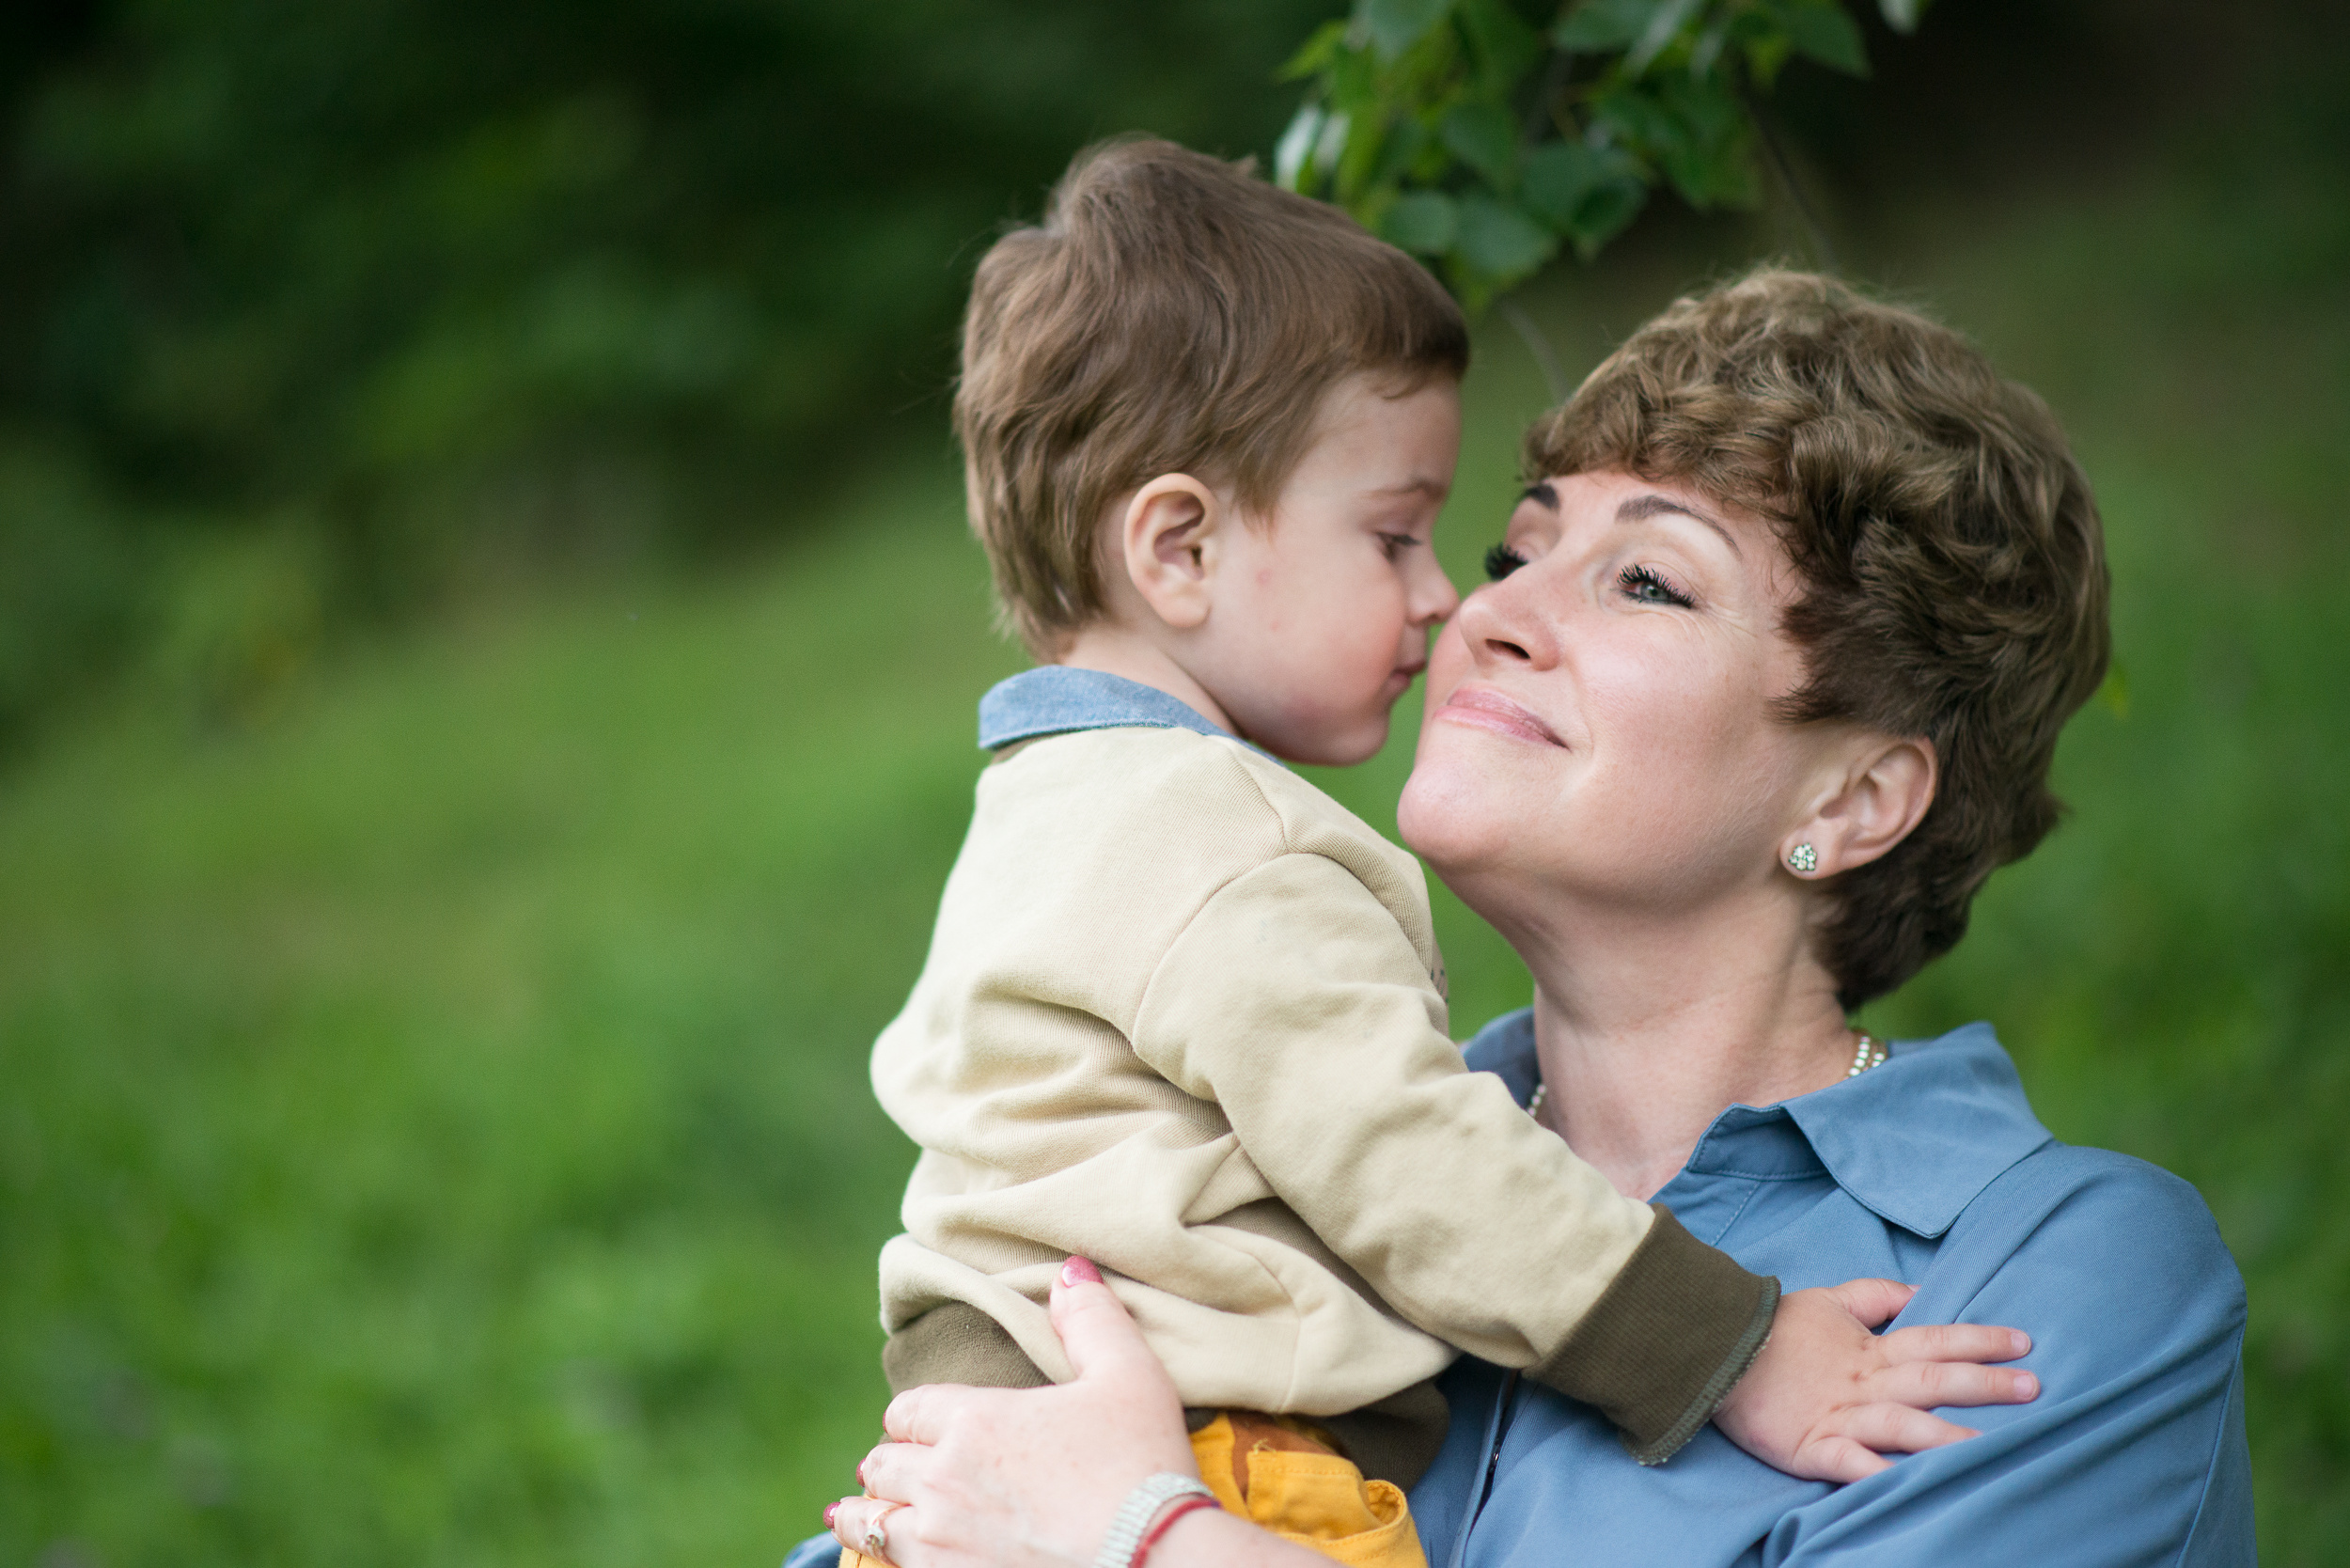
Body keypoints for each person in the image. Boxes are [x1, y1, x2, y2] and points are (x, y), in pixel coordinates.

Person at [808, 271, 2256, 1567]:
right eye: (1514, 553)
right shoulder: (1246, 1164)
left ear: (1861, 793)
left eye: (1646, 579)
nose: (1479, 614)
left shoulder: (2053, 1280)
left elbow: (1065, 1516)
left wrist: (1150, 1540)